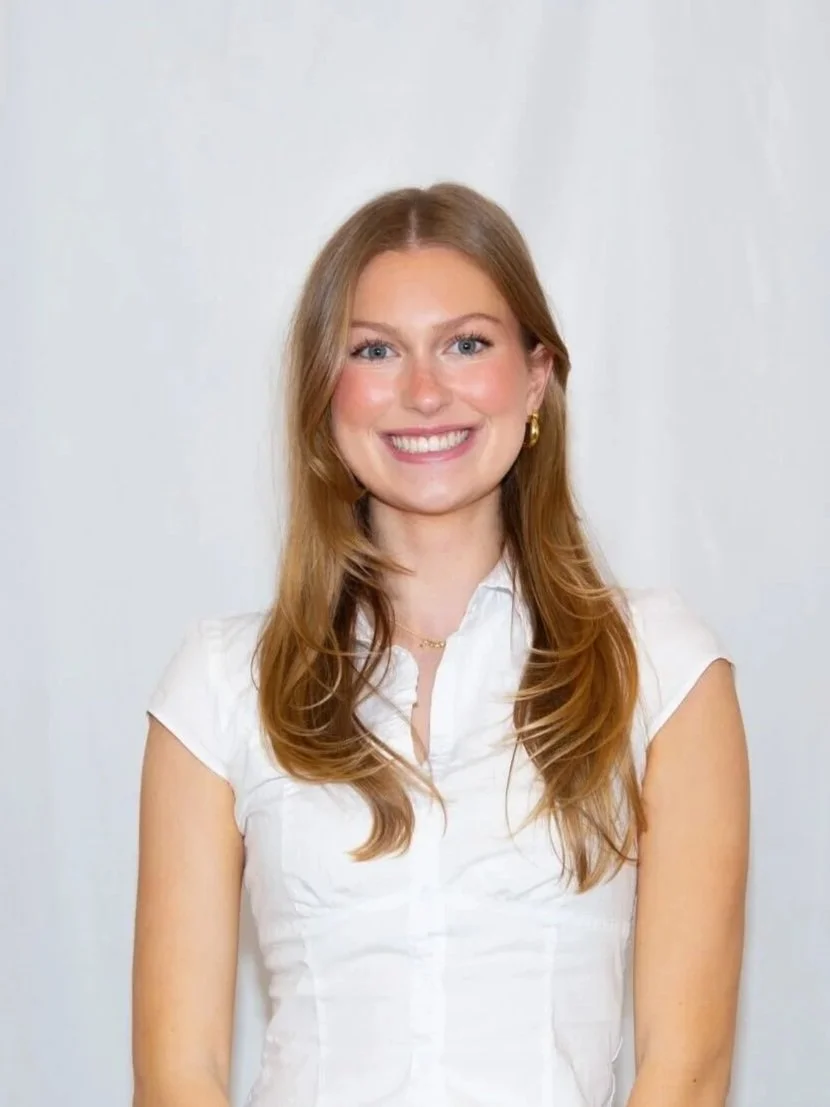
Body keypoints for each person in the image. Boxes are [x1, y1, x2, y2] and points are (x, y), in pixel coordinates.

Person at [132, 182, 749, 1107]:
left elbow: (686, 1072)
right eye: (375, 350)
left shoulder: (664, 667)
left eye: (466, 344)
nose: (424, 392)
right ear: (321, 391)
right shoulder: (218, 686)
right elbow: (179, 1077)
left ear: (536, 375)